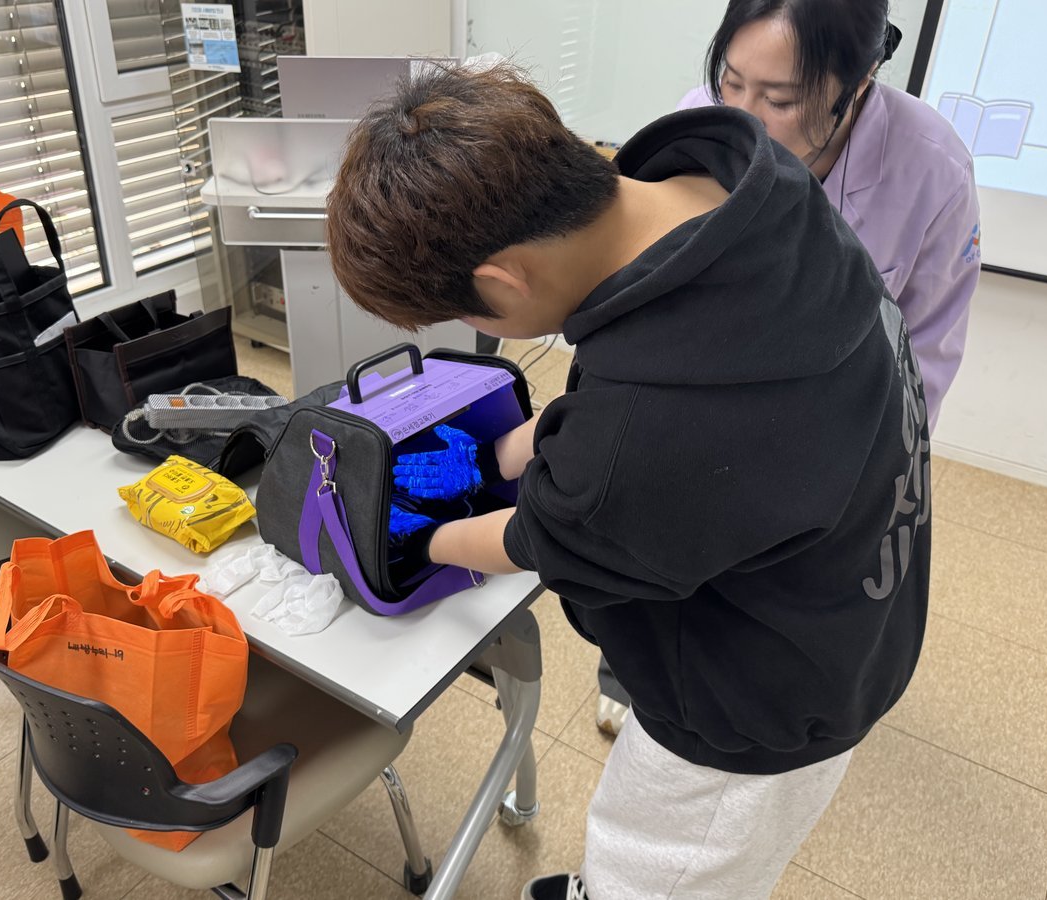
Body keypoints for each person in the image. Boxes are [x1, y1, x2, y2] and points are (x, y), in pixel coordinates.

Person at [326, 61, 930, 900]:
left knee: (667, 862)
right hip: (848, 598)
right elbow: (627, 403)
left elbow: (544, 534)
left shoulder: (645, 440)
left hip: (755, 710)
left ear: (502, 282)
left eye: (462, 312)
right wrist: (497, 457)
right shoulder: (744, 192)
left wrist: (413, 540)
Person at [594, 0, 979, 737]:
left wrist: (864, 470)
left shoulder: (932, 169)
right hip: (699, 395)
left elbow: (926, 344)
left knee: (772, 595)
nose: (742, 118)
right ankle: (626, 672)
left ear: (857, 84)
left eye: (779, 99)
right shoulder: (697, 125)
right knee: (657, 537)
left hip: (833, 430)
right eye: (732, 82)